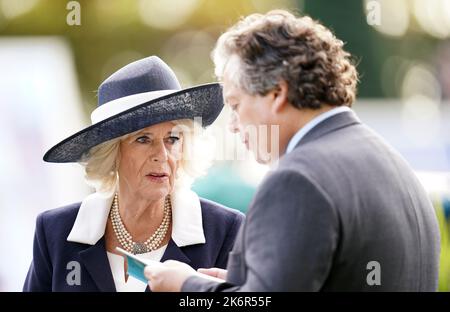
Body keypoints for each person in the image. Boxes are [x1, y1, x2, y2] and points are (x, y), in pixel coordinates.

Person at [144, 10, 441, 291]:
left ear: (277, 93)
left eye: (235, 105)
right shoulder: (397, 168)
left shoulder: (297, 179)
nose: (233, 126)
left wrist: (186, 285)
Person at [23, 56, 244, 292]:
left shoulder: (225, 229)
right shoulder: (56, 231)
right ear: (111, 153)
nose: (162, 154)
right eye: (143, 139)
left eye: (172, 139)